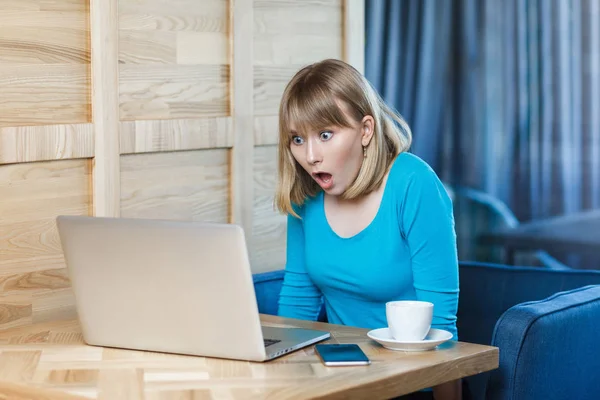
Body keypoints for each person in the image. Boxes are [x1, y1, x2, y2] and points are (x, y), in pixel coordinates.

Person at [274, 59, 461, 400]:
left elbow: (443, 325)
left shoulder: (414, 183)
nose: (310, 155)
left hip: (410, 382)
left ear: (365, 130)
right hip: (339, 379)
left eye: (325, 135)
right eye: (297, 139)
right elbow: (298, 302)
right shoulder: (305, 196)